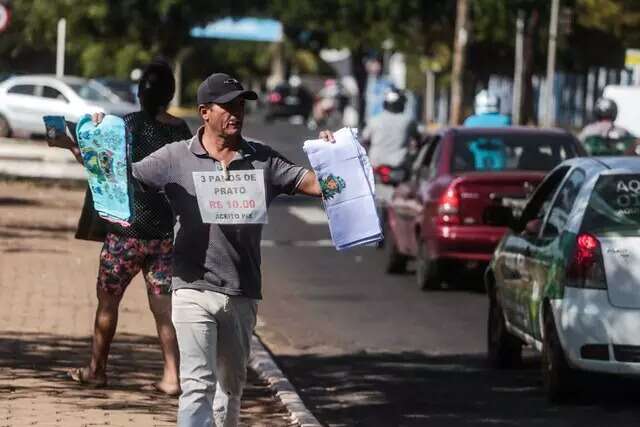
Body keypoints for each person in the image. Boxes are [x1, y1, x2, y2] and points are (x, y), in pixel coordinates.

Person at [113, 72, 331, 426]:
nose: (236, 113)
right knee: (197, 386)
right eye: (227, 106)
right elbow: (122, 176)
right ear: (204, 112)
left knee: (230, 391)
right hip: (191, 289)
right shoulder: (174, 157)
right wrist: (92, 144)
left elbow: (317, 184)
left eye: (241, 106)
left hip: (242, 292)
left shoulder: (262, 158)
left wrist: (334, 155)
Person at [49, 60, 190, 396]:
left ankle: (96, 370)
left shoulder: (125, 125)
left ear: (140, 93)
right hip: (162, 236)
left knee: (107, 304)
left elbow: (97, 163)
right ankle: (173, 376)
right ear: (171, 93)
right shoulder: (182, 131)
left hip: (123, 235)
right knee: (163, 310)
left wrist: (73, 142)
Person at [361, 86, 419, 216]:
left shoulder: (374, 120)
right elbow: (417, 140)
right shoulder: (408, 120)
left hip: (377, 167)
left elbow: (365, 139)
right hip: (400, 168)